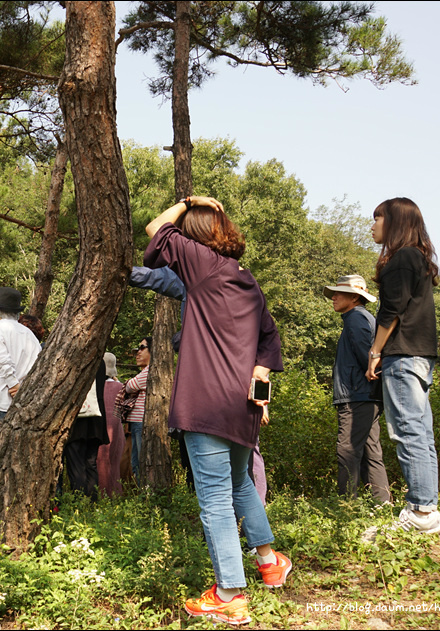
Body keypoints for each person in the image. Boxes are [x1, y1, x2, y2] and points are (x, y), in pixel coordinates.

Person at [145, 195, 289, 626]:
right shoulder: (246, 278)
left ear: (195, 235)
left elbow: (156, 229)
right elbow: (270, 338)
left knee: (214, 500)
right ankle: (269, 561)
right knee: (241, 486)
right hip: (240, 405)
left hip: (206, 401)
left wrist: (188, 201)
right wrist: (259, 376)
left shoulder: (202, 264)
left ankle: (229, 592)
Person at [366, 198, 440, 534]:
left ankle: (421, 512)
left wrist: (375, 351)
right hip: (421, 355)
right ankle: (427, 508)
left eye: (377, 218)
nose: (372, 225)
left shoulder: (400, 259)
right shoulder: (419, 258)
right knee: (421, 432)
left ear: (394, 222)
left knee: (408, 430)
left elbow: (390, 312)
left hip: (404, 355)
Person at [324, 274, 391, 503]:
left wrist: (363, 381)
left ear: (354, 297)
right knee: (371, 454)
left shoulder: (356, 318)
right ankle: (382, 505)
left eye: (338, 293)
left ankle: (346, 509)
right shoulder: (360, 318)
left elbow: (368, 358)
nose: (333, 297)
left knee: (347, 451)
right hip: (366, 395)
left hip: (357, 396)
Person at [0, 287, 42, 480]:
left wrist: (13, 386)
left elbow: (1, 360)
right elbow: (38, 367)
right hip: (23, 404)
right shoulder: (30, 335)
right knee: (19, 464)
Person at [63, 360, 108, 499]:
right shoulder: (100, 361)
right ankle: (92, 504)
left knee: (77, 465)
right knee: (91, 464)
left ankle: (79, 504)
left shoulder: (73, 358)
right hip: (96, 418)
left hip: (79, 420)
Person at [97, 353, 125, 498]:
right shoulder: (121, 386)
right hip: (116, 429)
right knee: (114, 463)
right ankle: (115, 494)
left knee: (100, 461)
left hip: (100, 427)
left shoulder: (96, 386)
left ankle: (100, 495)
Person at [124, 337, 151, 480]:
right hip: (136, 424)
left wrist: (129, 384)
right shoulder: (144, 372)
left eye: (142, 348)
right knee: (135, 463)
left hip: (141, 423)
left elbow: (128, 386)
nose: (138, 353)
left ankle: (145, 496)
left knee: (140, 463)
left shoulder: (149, 371)